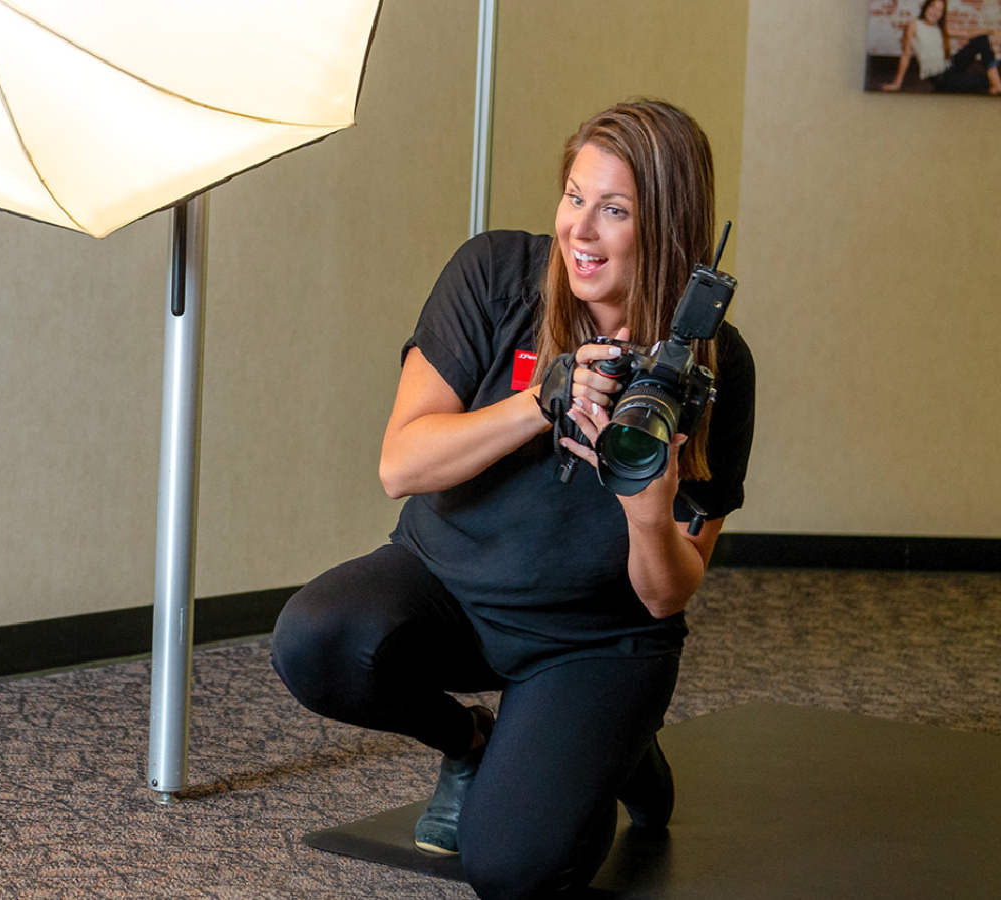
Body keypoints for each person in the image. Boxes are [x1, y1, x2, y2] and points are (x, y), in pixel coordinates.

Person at [271, 99, 755, 900]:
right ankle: (472, 742)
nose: (580, 232)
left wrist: (644, 503)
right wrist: (538, 403)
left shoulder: (711, 364)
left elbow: (668, 592)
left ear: (667, 227)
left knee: (512, 868)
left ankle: (611, 741)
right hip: (448, 587)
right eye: (574, 197)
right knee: (315, 641)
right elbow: (402, 463)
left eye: (615, 210)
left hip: (595, 639)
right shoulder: (495, 273)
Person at [882, 0, 1001, 94]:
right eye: (932, 7)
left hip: (950, 67)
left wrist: (992, 30)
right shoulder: (914, 25)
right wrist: (897, 83)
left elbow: (966, 33)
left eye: (939, 10)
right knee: (983, 80)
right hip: (942, 79)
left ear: (942, 14)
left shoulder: (939, 29)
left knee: (981, 38)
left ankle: (996, 85)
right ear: (926, 7)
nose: (934, 12)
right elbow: (906, 55)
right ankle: (996, 84)